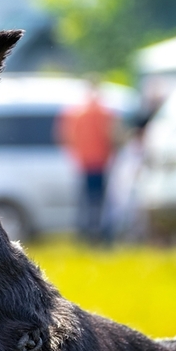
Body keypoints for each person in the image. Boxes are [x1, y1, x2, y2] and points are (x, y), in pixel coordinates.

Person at [56, 81, 116, 243]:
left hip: (83, 162)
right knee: (100, 200)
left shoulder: (77, 113)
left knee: (85, 200)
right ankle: (100, 232)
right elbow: (110, 135)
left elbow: (66, 136)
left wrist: (76, 154)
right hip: (101, 162)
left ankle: (84, 232)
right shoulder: (104, 113)